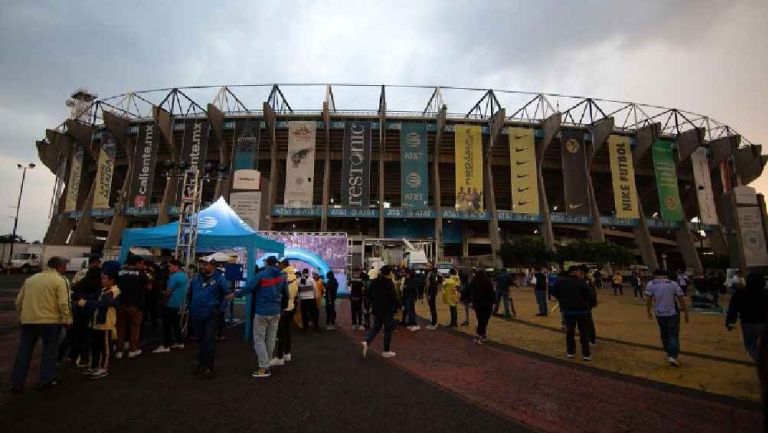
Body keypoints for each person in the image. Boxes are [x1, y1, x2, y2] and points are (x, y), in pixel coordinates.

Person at [11, 257, 73, 393]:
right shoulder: (60, 280)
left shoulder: (30, 279)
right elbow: (64, 303)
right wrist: (67, 320)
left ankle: (17, 383)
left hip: (28, 321)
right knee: (49, 351)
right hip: (50, 321)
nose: (66, 269)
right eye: (65, 266)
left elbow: (18, 301)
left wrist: (21, 316)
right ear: (59, 267)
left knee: (24, 351)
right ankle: (46, 379)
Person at [239, 256, 286, 378]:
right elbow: (286, 294)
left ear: (267, 263)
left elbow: (249, 288)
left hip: (262, 311)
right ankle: (267, 362)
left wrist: (236, 294)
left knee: (259, 339)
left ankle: (264, 367)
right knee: (270, 338)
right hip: (276, 311)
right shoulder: (282, 276)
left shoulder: (261, 274)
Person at [188, 257, 233, 377]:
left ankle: (209, 367)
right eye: (202, 264)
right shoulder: (196, 279)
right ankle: (201, 364)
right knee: (201, 340)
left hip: (211, 315)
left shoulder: (219, 279)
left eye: (206, 264)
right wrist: (191, 307)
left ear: (213, 265)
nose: (203, 267)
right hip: (197, 313)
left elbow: (227, 295)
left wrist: (219, 310)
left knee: (208, 340)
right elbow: (190, 294)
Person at [79, 264, 121, 379]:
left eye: (105, 278)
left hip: (106, 324)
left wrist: (85, 303)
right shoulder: (103, 290)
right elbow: (94, 297)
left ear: (112, 280)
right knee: (95, 346)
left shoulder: (114, 291)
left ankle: (103, 367)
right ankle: (94, 366)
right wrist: (82, 297)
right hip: (96, 323)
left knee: (105, 347)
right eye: (102, 278)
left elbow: (103, 303)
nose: (102, 280)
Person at [60, 256, 102, 367]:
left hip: (76, 309)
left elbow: (73, 288)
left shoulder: (81, 276)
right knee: (86, 335)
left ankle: (62, 357)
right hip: (88, 311)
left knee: (72, 335)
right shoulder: (98, 284)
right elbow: (97, 296)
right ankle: (82, 358)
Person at [646, 269, 689, 367]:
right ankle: (672, 355)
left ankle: (667, 350)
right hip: (672, 313)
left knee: (664, 333)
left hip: (660, 313)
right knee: (673, 335)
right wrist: (685, 313)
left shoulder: (651, 284)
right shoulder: (673, 284)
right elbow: (681, 299)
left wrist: (648, 312)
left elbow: (648, 300)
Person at [550, 265, 594, 361]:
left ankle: (571, 352)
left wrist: (561, 299)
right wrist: (585, 302)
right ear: (575, 272)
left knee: (570, 332)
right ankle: (586, 354)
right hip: (581, 311)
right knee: (583, 332)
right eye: (578, 271)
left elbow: (552, 290)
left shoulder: (561, 282)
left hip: (568, 310)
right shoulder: (581, 282)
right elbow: (590, 295)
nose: (579, 273)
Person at [725, 270, 768, 362]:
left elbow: (733, 309)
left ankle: (760, 361)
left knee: (750, 344)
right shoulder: (766, 293)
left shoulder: (739, 293)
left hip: (747, 322)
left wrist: (730, 322)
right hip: (764, 322)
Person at [362, 265, 401, 359]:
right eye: (391, 272)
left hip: (377, 309)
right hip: (387, 310)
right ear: (389, 273)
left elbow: (369, 293)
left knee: (376, 328)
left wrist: (373, 303)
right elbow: (393, 296)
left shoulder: (375, 281)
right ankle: (386, 351)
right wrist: (399, 305)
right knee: (388, 330)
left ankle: (366, 341)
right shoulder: (389, 283)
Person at [115, 255, 149, 359]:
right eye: (142, 263)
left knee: (120, 328)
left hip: (120, 303)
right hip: (135, 305)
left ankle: (119, 351)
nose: (143, 266)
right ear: (137, 263)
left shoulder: (119, 272)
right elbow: (149, 287)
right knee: (134, 327)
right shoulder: (141, 274)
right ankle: (133, 350)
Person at [153, 259, 188, 353]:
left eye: (170, 266)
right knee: (175, 323)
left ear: (176, 266)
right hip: (177, 302)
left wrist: (158, 292)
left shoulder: (174, 277)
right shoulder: (184, 275)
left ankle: (166, 345)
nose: (169, 268)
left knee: (166, 324)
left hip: (170, 302)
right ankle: (179, 342)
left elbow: (168, 292)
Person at [274, 259, 298, 363]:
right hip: (291, 307)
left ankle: (279, 357)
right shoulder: (294, 275)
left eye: (279, 264)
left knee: (281, 333)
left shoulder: (283, 276)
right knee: (287, 331)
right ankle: (287, 353)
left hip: (284, 308)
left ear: (283, 264)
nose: (277, 265)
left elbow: (279, 292)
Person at [470, 269, 495, 344]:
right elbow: (492, 293)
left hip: (478, 304)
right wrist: (493, 301)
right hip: (487, 304)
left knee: (480, 319)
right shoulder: (488, 282)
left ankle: (480, 335)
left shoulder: (474, 282)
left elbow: (469, 291)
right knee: (484, 320)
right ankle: (481, 335)